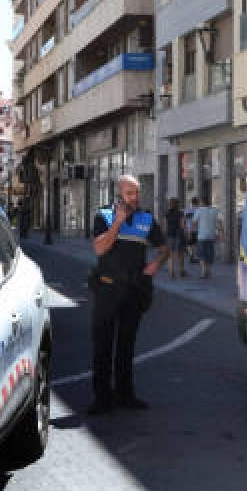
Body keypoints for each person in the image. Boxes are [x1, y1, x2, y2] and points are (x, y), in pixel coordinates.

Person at [87, 175, 170, 415]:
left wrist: (156, 264)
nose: (135, 197)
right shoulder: (103, 216)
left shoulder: (146, 219)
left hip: (134, 291)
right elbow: (100, 248)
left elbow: (164, 249)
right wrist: (117, 224)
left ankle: (125, 394)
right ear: (119, 194)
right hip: (107, 289)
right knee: (103, 345)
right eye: (130, 193)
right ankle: (102, 398)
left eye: (137, 192)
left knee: (126, 344)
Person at [194, 197, 223, 279]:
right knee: (210, 254)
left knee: (202, 254)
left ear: (202, 202)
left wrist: (194, 231)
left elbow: (194, 222)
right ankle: (209, 271)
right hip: (211, 235)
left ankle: (203, 272)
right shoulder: (215, 210)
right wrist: (221, 233)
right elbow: (220, 222)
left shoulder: (199, 210)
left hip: (202, 236)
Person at [164, 197, 187, 278]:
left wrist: (165, 235)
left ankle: (171, 272)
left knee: (170, 254)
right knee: (180, 254)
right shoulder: (180, 213)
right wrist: (185, 232)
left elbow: (165, 226)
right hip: (179, 235)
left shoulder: (167, 213)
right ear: (178, 204)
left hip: (170, 235)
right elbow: (182, 225)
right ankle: (181, 271)